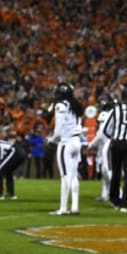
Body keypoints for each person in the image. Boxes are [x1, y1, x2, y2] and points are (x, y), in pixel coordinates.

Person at [88, 93, 127, 213]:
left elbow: (106, 129)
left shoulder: (115, 111)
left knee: (116, 171)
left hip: (116, 143)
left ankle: (115, 199)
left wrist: (114, 137)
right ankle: (124, 203)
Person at [47, 82, 84, 216]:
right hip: (76, 142)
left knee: (65, 176)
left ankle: (63, 208)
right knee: (73, 175)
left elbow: (58, 129)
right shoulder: (76, 105)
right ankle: (74, 206)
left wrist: (52, 138)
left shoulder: (61, 105)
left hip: (66, 143)